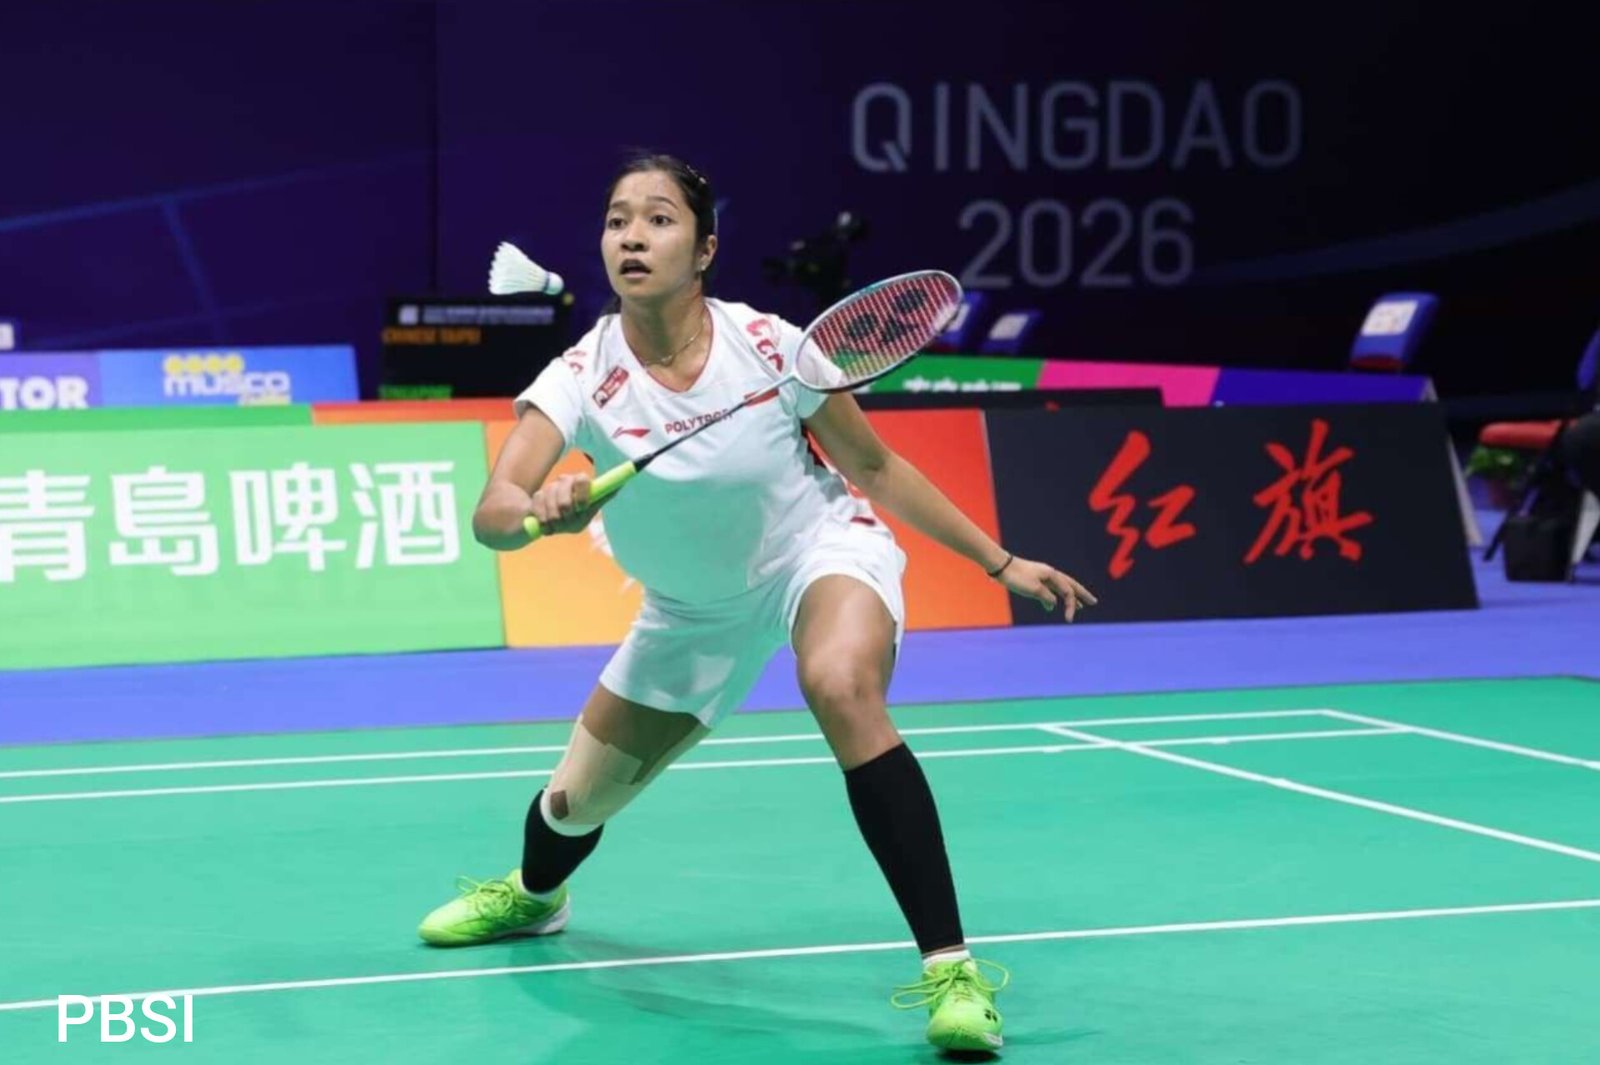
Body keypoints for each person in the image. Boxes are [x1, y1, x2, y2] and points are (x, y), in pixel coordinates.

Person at [417, 153, 1097, 1053]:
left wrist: (998, 560)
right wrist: (540, 511)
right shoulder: (579, 375)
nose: (632, 236)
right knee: (573, 806)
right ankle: (535, 895)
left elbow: (873, 465)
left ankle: (952, 971)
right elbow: (492, 513)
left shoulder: (775, 348)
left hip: (817, 553)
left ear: (705, 249)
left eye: (659, 219)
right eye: (618, 220)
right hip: (690, 613)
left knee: (840, 682)